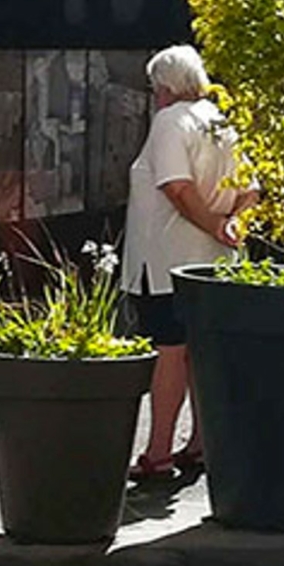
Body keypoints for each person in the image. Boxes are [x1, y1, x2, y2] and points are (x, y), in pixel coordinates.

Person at [119, 45, 252, 480]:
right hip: (217, 263)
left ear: (164, 87)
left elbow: (176, 187)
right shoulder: (221, 121)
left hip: (167, 261)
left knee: (169, 354)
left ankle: (158, 452)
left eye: (154, 87)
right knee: (199, 354)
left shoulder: (170, 121)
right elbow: (252, 189)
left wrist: (213, 224)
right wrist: (231, 225)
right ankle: (200, 442)